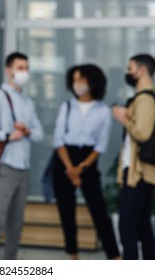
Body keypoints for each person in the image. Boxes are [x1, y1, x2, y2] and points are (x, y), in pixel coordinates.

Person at [0, 52, 44, 260]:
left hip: (23, 167)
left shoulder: (27, 102)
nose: (24, 72)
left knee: (16, 224)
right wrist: (6, 135)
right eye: (20, 68)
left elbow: (39, 133)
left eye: (26, 68)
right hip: (5, 166)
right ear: (9, 70)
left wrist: (27, 131)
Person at [52, 64, 121, 260]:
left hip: (88, 162)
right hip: (64, 161)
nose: (78, 84)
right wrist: (70, 170)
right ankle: (73, 256)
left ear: (92, 81)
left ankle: (115, 257)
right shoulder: (66, 107)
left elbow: (101, 146)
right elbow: (58, 141)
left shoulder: (103, 111)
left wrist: (80, 169)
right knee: (67, 213)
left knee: (99, 212)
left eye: (81, 79)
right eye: (74, 80)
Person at [112, 54, 155, 260]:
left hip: (138, 173)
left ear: (141, 71)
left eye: (130, 68)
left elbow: (141, 133)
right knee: (142, 228)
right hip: (140, 172)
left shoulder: (145, 100)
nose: (127, 72)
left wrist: (124, 118)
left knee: (127, 230)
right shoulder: (147, 98)